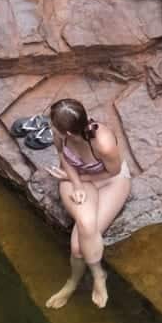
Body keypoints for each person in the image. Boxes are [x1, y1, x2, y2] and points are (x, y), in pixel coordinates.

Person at [38, 98, 131, 310]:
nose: (51, 128)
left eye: (53, 125)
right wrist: (77, 184)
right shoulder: (61, 136)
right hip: (76, 178)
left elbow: (113, 172)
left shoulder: (103, 142)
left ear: (69, 132)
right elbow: (64, 158)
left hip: (110, 181)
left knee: (78, 245)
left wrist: (81, 181)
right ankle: (84, 278)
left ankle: (96, 277)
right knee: (85, 228)